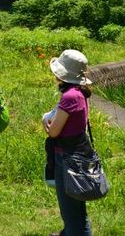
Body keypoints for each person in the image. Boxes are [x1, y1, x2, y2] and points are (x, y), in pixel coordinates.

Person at [44, 50, 94, 236]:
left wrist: (45, 121)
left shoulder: (69, 97)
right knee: (77, 211)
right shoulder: (79, 93)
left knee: (71, 213)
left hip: (67, 159)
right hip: (76, 155)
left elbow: (54, 131)